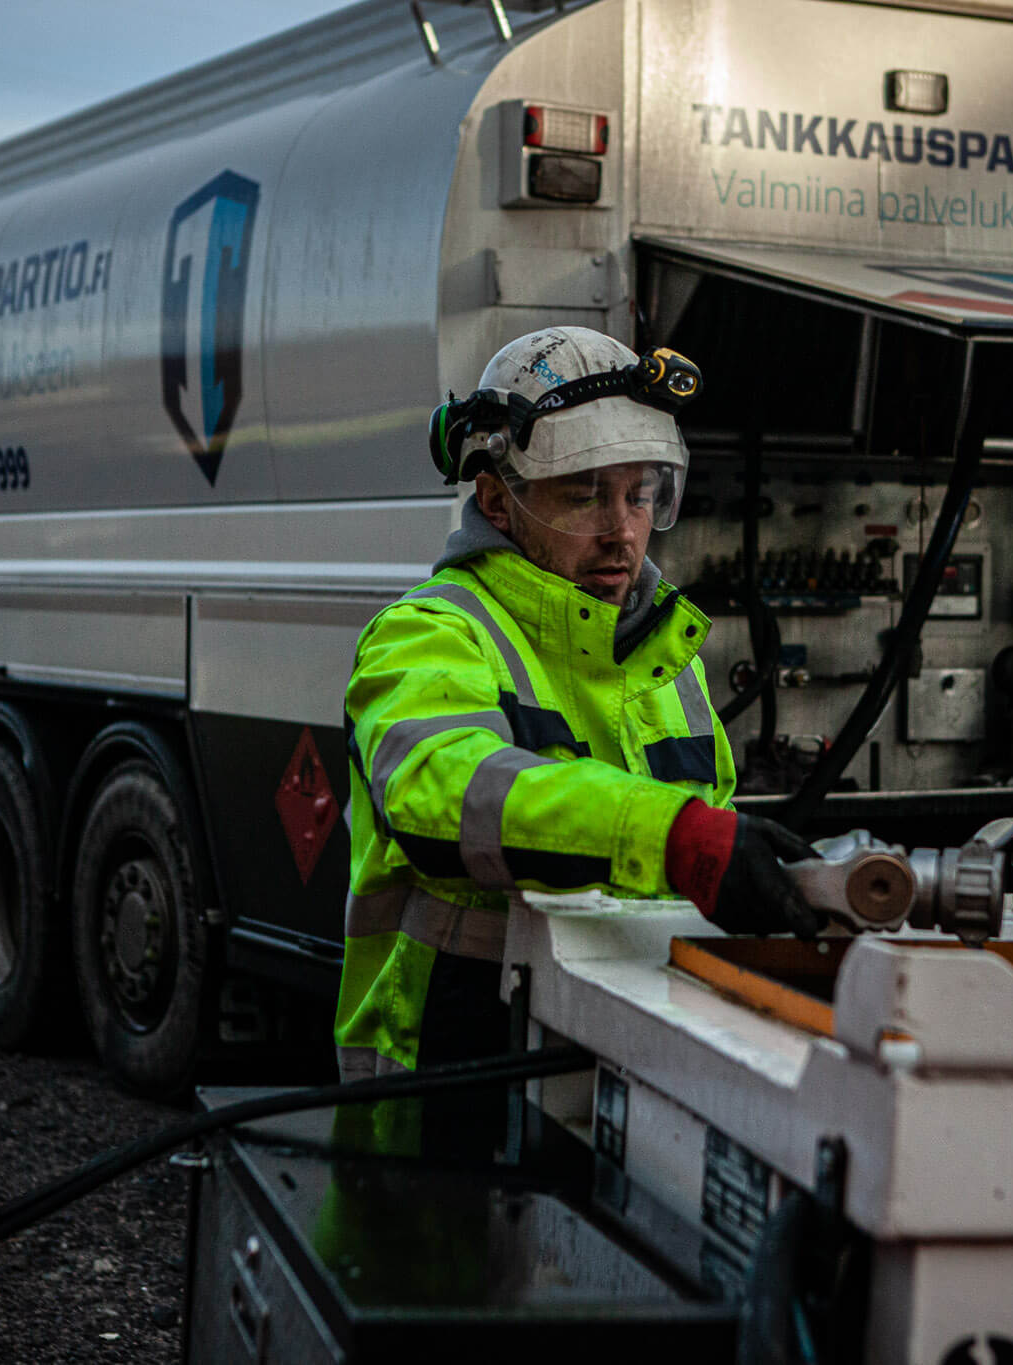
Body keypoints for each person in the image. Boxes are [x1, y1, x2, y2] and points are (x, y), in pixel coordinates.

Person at [333, 326, 822, 1080]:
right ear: (497, 500)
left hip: (627, 1063)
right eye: (582, 494)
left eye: (639, 495)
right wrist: (667, 834)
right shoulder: (429, 633)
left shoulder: (665, 662)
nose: (621, 533)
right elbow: (441, 790)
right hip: (447, 1083)